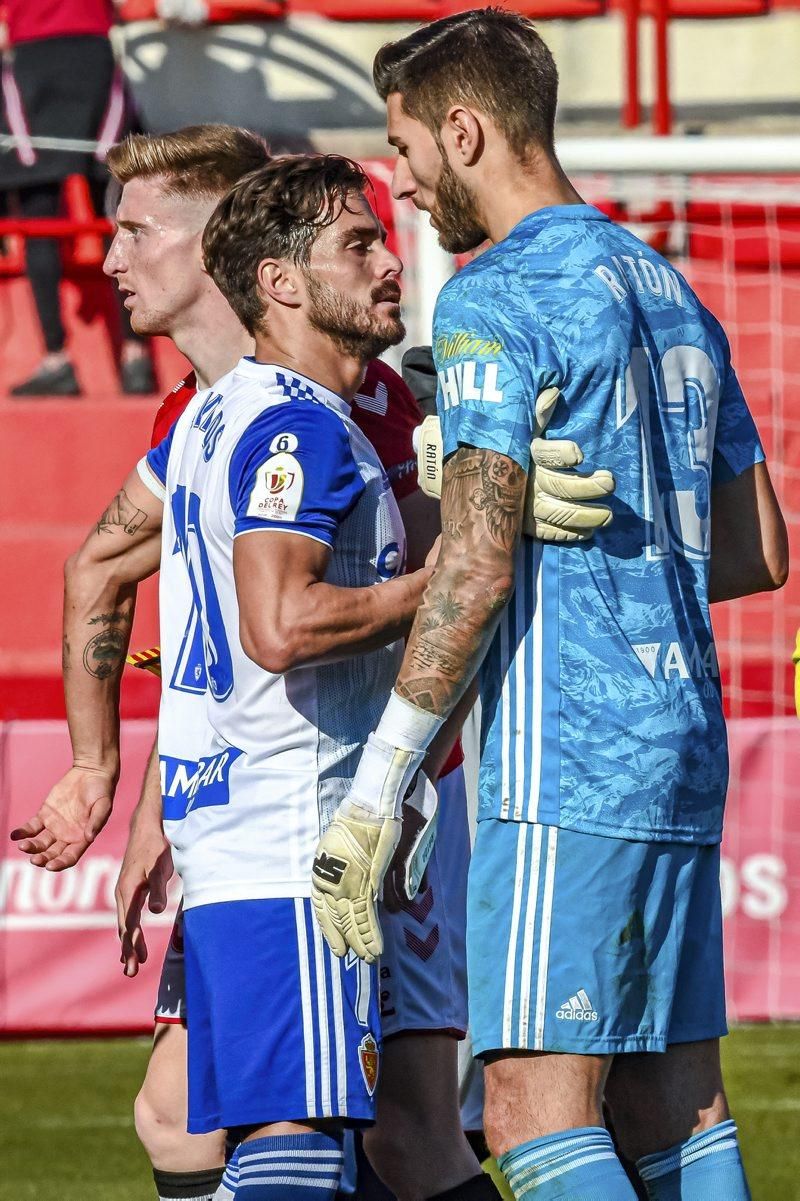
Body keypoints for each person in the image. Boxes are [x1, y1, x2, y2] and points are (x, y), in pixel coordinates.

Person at [310, 10, 789, 1201]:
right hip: (680, 739)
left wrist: (378, 791)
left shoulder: (494, 296)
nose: (404, 182)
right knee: (671, 1099)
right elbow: (755, 551)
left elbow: (472, 568)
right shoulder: (667, 282)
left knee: (526, 1110)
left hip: (562, 750)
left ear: (462, 130)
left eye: (405, 147)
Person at [1, 0, 154, 395]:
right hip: (91, 53)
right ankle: (136, 360)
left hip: (35, 56)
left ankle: (58, 361)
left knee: (40, 215)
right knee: (116, 207)